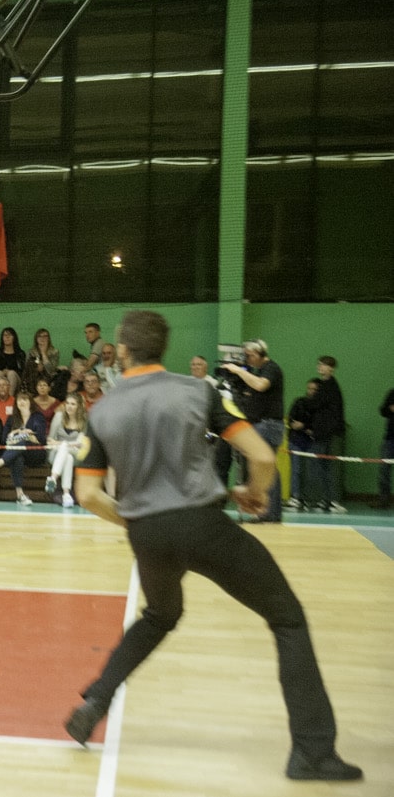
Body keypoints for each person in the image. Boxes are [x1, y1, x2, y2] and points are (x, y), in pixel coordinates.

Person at [64, 310, 361, 783]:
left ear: (122, 350)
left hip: (147, 535)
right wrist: (255, 492)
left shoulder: (102, 411)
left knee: (160, 615)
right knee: (287, 618)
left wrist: (137, 520)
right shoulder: (198, 391)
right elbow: (261, 455)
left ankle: (96, 700)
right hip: (203, 524)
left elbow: (87, 495)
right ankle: (312, 752)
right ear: (163, 347)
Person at [221, 339, 285, 523]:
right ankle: (268, 512)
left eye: (249, 356)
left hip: (268, 424)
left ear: (258, 354)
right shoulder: (260, 371)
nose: (247, 359)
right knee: (266, 468)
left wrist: (239, 371)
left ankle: (268, 512)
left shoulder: (271, 369)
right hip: (262, 423)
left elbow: (260, 385)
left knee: (266, 467)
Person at [0, 391, 48, 506]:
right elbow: (4, 439)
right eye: (20, 399)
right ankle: (20, 495)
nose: (22, 402)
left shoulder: (38, 417)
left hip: (35, 453)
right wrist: (20, 432)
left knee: (22, 442)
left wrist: (23, 437)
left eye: (25, 399)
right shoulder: (12, 418)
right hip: (16, 453)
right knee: (17, 457)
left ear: (30, 402)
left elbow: (41, 439)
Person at [307, 355, 345, 514]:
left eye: (323, 365)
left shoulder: (329, 387)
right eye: (319, 364)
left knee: (324, 466)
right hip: (324, 432)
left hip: (326, 433)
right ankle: (327, 500)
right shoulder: (325, 385)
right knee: (323, 466)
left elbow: (314, 404)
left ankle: (332, 500)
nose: (320, 367)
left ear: (331, 368)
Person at [45, 392, 87, 508]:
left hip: (77, 454)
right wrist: (61, 445)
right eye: (67, 403)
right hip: (56, 453)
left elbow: (80, 443)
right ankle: (66, 494)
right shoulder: (59, 417)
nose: (69, 406)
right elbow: (50, 440)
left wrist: (61, 443)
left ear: (79, 406)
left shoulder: (84, 420)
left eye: (73, 404)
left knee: (65, 447)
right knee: (67, 457)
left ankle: (53, 478)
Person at [285, 379, 319, 512]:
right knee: (296, 470)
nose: (311, 392)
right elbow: (291, 420)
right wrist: (297, 426)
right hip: (296, 440)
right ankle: (295, 497)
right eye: (309, 388)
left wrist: (304, 426)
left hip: (312, 442)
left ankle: (308, 499)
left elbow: (317, 425)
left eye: (315, 389)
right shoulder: (299, 402)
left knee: (311, 472)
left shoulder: (319, 407)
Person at [377, 386, 394, 510]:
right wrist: (390, 408)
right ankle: (383, 500)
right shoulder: (392, 393)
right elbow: (382, 411)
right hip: (390, 438)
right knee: (384, 470)